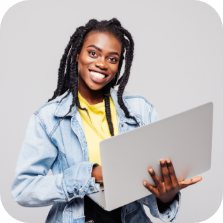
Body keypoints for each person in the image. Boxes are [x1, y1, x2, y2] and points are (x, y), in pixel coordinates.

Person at [11, 18, 202, 223]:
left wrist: (165, 197)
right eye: (93, 53)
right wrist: (90, 175)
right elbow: (23, 189)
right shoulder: (49, 118)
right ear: (77, 54)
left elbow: (147, 181)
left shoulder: (139, 110)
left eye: (112, 59)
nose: (102, 64)